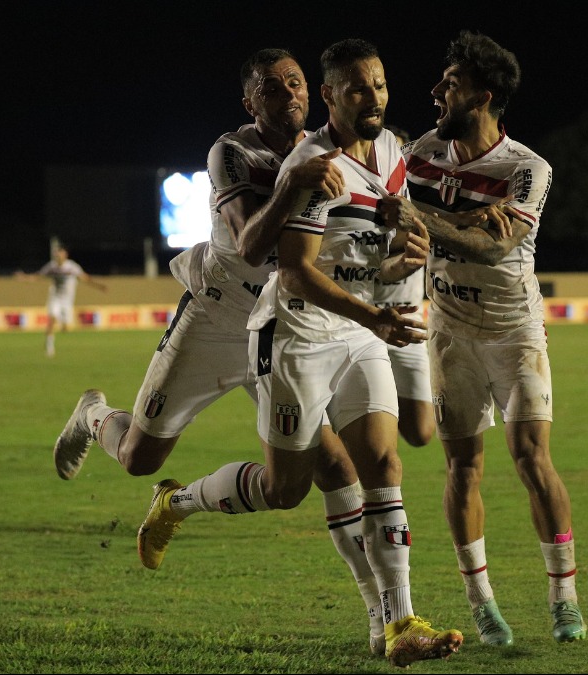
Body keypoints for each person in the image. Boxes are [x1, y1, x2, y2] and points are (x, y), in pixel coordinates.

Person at [50, 48, 393, 657]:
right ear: (249, 102)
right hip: (216, 314)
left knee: (335, 469)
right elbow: (252, 245)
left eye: (294, 83)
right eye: (270, 88)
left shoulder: (333, 148)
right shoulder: (232, 152)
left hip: (282, 326)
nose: (287, 94)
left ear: (312, 92)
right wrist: (291, 183)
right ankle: (94, 416)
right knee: (138, 458)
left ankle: (383, 619)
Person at [135, 39, 462, 668]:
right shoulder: (315, 165)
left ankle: (399, 625)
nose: (374, 98)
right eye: (359, 88)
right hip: (294, 338)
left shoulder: (392, 149)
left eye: (381, 84)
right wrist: (375, 313)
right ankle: (177, 502)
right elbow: (293, 273)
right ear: (332, 97)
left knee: (383, 467)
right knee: (285, 491)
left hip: (358, 332)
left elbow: (366, 252)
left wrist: (404, 253)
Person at [380, 31, 588, 646]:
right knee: (462, 466)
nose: (436, 91)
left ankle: (563, 598)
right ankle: (482, 604)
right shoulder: (420, 153)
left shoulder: (527, 169)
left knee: (531, 458)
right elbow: (390, 227)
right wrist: (456, 219)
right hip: (447, 331)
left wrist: (426, 219)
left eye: (451, 82)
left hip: (512, 330)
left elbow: (493, 244)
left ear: (484, 96)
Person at [370, 125, 435, 448]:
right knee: (371, 441)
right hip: (361, 321)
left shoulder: (414, 198)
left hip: (407, 323)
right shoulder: (361, 198)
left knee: (420, 432)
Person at [15, 245, 106, 357]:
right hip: (55, 297)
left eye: (60, 253)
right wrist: (24, 277)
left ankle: (63, 325)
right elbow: (38, 276)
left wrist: (99, 286)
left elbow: (84, 278)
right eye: (57, 253)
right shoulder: (52, 267)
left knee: (66, 328)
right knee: (52, 319)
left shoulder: (72, 267)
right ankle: (49, 346)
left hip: (67, 300)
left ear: (65, 255)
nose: (58, 255)